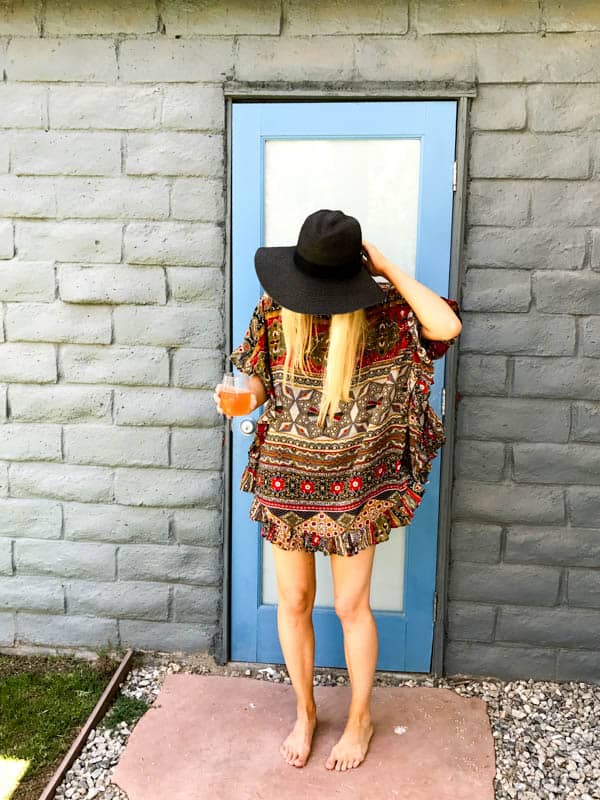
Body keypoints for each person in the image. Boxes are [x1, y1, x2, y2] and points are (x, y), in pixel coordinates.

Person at [213, 209, 462, 772]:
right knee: (295, 601)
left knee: (351, 605)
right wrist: (243, 397)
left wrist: (387, 267)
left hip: (357, 484)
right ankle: (304, 712)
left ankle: (359, 719)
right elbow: (256, 377)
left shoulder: (385, 314)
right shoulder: (276, 311)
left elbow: (445, 328)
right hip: (286, 476)